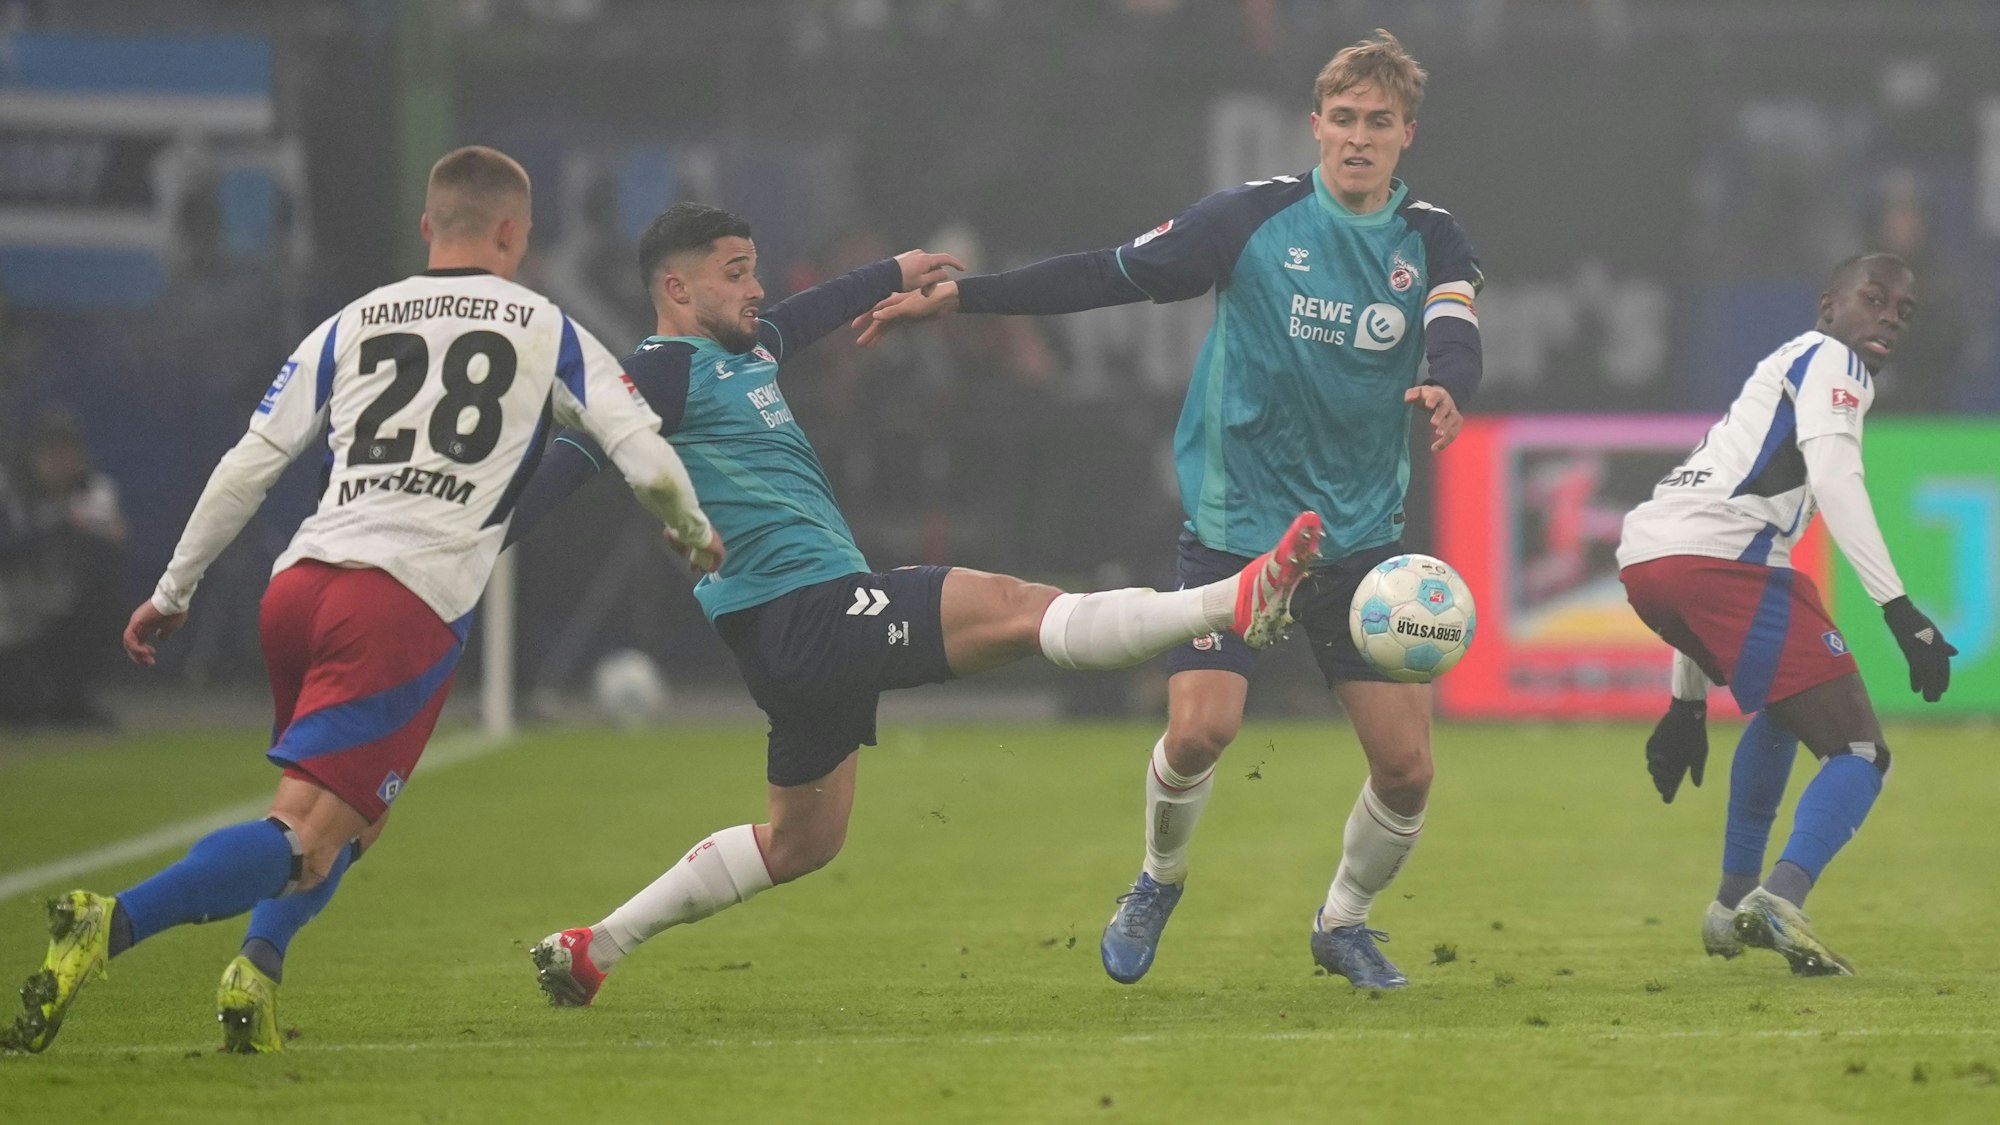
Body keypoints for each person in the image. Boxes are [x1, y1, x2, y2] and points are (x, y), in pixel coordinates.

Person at [501, 201, 1325, 1006]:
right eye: (736, 273)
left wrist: (890, 272)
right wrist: (484, 541)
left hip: (785, 636)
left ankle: (594, 946)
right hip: (806, 610)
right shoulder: (658, 370)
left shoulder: (744, 352)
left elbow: (809, 311)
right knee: (1015, 605)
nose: (757, 288)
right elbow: (577, 449)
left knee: (802, 842)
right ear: (677, 290)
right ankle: (1229, 599)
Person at [3, 146, 724, 1055]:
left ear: (429, 228)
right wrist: (693, 531)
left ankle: (254, 972)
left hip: (300, 590)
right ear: (513, 232)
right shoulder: (551, 329)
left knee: (349, 821)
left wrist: (172, 588)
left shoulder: (351, 322)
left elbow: (250, 464)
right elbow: (647, 456)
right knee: (303, 839)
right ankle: (109, 924)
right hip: (400, 609)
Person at [852, 29, 1482, 989]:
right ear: (1314, 124)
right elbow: (1107, 274)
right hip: (1240, 529)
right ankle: (1157, 877)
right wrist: (966, 298)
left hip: (1358, 547)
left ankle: (1342, 921)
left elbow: (1450, 321)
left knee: (1408, 770)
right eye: (1344, 119)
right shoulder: (1248, 221)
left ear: (1407, 135)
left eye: (1379, 123)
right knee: (1198, 732)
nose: (1358, 137)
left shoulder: (1431, 234)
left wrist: (1448, 384)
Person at [1618, 253, 1955, 975]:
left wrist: (1686, 704)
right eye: (1874, 298)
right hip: (1718, 562)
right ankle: (1778, 896)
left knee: (1782, 712)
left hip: (1649, 561)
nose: (1889, 316)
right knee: (1861, 752)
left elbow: (1695, 538)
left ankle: (1731, 904)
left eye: (1903, 310)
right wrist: (1900, 610)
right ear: (1829, 305)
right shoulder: (1834, 360)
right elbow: (1835, 476)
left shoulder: (1784, 365)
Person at [0, 412, 128, 726]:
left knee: (105, 609)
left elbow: (116, 547)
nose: (59, 463)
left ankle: (73, 699)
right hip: (11, 616)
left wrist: (86, 530)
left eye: (67, 453)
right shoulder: (9, 493)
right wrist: (56, 524)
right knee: (19, 704)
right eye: (50, 454)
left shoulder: (95, 493)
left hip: (63, 612)